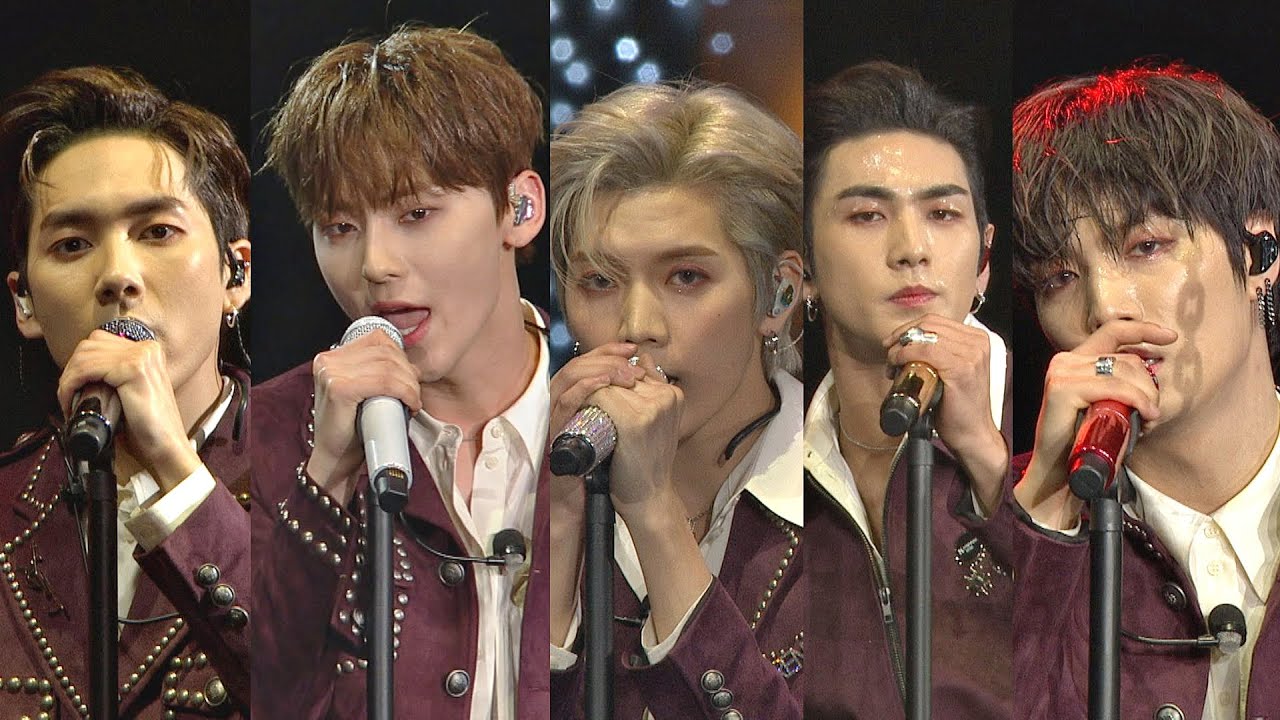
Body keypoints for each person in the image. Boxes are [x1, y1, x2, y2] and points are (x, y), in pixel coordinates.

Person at [251, 25, 550, 719]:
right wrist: (326, 476)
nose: (375, 265)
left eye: (416, 213)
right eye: (340, 228)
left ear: (520, 209)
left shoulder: (603, 420)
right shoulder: (267, 431)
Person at [1010, 63, 1280, 718]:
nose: (1105, 308)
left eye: (1146, 246)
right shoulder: (985, 524)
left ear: (1260, 254)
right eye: (1059, 277)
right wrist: (1039, 522)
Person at [547, 82, 805, 719]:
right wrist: (558, 521)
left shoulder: (843, 490)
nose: (638, 325)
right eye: (599, 280)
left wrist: (653, 512)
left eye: (686, 277)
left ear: (778, 293)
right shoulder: (525, 484)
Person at [0, 66, 253, 717]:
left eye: (157, 232)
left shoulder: (327, 472)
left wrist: (176, 470)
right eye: (72, 244)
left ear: (236, 273)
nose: (117, 275)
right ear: (24, 302)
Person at [801, 61, 1013, 719]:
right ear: (804, 269)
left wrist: (986, 457)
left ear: (984, 260)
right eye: (868, 215)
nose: (912, 248)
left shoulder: (1062, 425)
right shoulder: (775, 462)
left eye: (942, 213)